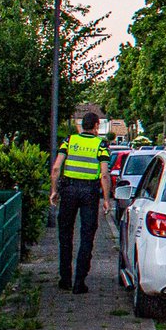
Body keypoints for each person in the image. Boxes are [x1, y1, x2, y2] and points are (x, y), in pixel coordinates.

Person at [49, 112, 114, 294]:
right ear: (96, 126)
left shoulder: (69, 141)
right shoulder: (100, 145)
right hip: (89, 192)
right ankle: (79, 282)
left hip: (68, 190)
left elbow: (56, 168)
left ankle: (65, 279)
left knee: (65, 234)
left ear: (81, 126)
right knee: (87, 235)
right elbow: (104, 174)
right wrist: (106, 200)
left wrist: (54, 191)